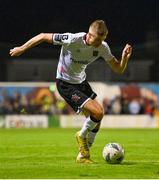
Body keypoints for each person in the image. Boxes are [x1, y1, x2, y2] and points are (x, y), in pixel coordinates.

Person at [10, 19, 132, 163]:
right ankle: (81, 135)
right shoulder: (72, 39)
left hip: (81, 82)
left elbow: (118, 69)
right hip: (65, 83)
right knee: (98, 111)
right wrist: (22, 48)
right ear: (89, 35)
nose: (100, 42)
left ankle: (83, 156)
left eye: (103, 39)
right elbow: (43, 36)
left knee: (97, 120)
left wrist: (124, 59)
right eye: (97, 39)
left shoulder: (102, 47)